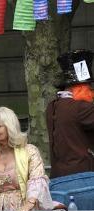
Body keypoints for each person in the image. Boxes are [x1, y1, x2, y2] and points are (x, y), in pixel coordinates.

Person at [46, 49, 94, 179]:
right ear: (81, 88)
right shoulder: (81, 108)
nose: (92, 93)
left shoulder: (51, 107)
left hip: (57, 177)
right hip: (82, 178)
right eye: (89, 88)